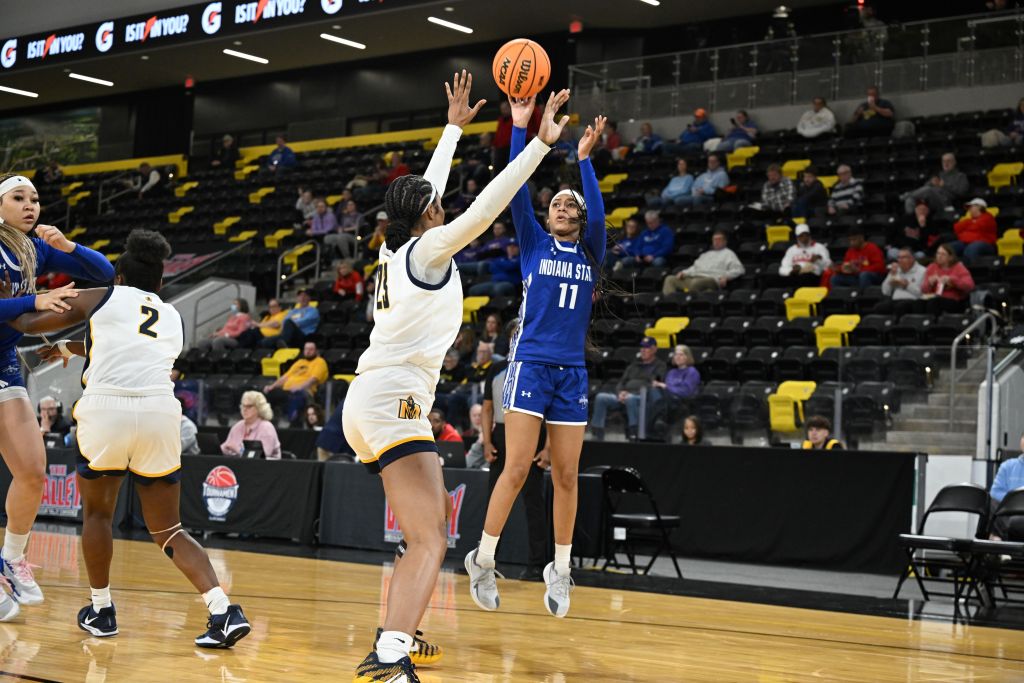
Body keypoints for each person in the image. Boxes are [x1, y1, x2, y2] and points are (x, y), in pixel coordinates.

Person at [340, 72, 566, 681]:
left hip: (370, 398)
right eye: (438, 205)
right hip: (392, 399)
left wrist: (452, 130)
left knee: (435, 513)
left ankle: (403, 628)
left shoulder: (397, 248)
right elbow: (488, 203)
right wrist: (540, 146)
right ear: (432, 216)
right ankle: (390, 656)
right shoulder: (429, 249)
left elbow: (423, 192)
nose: (443, 204)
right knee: (431, 540)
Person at [7, 229, 249, 646]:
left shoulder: (99, 295)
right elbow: (124, 343)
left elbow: (28, 323)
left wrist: (17, 296)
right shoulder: (172, 314)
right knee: (170, 527)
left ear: (117, 276)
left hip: (108, 411)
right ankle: (222, 610)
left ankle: (101, 611)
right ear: (158, 282)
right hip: (159, 413)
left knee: (99, 515)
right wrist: (70, 348)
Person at [465, 91, 606, 624]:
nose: (564, 208)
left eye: (572, 204)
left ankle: (561, 568)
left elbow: (594, 211)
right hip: (528, 366)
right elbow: (515, 187)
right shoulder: (532, 241)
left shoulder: (592, 250)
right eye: (557, 204)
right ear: (545, 217)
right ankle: (483, 557)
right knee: (517, 465)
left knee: (567, 475)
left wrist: (586, 161)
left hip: (571, 372)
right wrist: (522, 131)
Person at [0, 173, 115, 620]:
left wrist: (69, 248)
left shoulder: (35, 247)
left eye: (35, 199)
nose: (30, 206)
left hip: (5, 365)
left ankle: (11, 556)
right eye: (18, 198)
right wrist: (35, 302)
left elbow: (105, 275)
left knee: (32, 474)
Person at [479, 329, 550, 580]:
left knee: (534, 504)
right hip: (501, 437)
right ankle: (486, 561)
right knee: (494, 500)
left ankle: (537, 564)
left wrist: (548, 446)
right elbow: (487, 409)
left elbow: (552, 411)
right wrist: (487, 442)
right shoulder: (496, 368)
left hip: (533, 436)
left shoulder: (541, 367)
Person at [589, 337, 667, 442]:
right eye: (642, 347)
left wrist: (630, 393)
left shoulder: (660, 366)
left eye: (646, 348)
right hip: (624, 396)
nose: (643, 350)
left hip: (643, 398)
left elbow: (654, 385)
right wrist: (620, 393)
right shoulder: (634, 365)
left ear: (654, 349)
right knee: (601, 397)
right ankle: (597, 433)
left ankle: (633, 433)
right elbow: (622, 382)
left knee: (630, 398)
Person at [263, 341, 329, 424]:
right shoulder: (299, 362)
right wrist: (271, 387)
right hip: (287, 391)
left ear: (316, 351)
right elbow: (284, 377)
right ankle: (269, 422)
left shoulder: (320, 362)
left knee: (297, 395)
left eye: (311, 349)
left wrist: (299, 387)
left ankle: (291, 423)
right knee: (270, 393)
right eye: (306, 349)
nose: (308, 351)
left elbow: (313, 379)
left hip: (305, 392)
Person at [662, 230, 744, 294]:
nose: (716, 241)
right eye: (714, 239)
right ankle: (671, 301)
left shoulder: (729, 253)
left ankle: (690, 302)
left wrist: (726, 276)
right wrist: (684, 273)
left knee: (696, 283)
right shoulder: (706, 254)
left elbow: (739, 269)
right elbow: (694, 268)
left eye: (719, 239)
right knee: (670, 279)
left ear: (725, 241)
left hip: (710, 279)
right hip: (694, 278)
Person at [648, 345, 702, 440]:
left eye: (681, 354)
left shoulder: (692, 372)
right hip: (667, 402)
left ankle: (657, 421)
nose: (677, 357)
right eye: (676, 354)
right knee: (653, 392)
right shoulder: (671, 372)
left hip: (681, 403)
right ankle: (657, 422)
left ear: (687, 357)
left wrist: (666, 386)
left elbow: (686, 392)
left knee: (662, 399)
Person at [902, 153, 968, 216]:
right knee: (910, 200)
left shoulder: (960, 176)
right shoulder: (939, 174)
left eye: (948, 161)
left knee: (927, 190)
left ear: (954, 162)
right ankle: (912, 223)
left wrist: (944, 185)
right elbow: (924, 188)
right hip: (931, 200)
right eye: (943, 161)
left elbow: (962, 192)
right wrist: (931, 183)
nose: (946, 163)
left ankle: (907, 195)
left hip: (945, 201)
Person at [222, 391, 281, 459]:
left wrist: (237, 449)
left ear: (259, 408)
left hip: (265, 468)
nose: (244, 409)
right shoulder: (238, 426)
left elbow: (262, 456)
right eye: (243, 406)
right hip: (238, 466)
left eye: (249, 406)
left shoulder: (266, 428)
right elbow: (225, 447)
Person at [921, 243, 975, 314]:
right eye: (938, 253)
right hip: (934, 297)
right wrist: (929, 282)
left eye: (943, 254)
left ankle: (933, 324)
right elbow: (924, 290)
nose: (939, 256)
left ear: (950, 257)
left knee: (934, 303)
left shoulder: (959, 267)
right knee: (918, 303)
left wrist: (952, 279)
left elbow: (970, 286)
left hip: (954, 301)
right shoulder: (932, 267)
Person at [989, 433, 1024, 540]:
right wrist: (1016, 501)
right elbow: (995, 493)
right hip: (1009, 513)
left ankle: (999, 540)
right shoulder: (1007, 466)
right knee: (990, 502)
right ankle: (999, 543)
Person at [875, 248, 927, 317]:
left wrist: (907, 285)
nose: (899, 260)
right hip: (895, 301)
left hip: (914, 301)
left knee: (900, 306)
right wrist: (891, 274)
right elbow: (885, 292)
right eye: (898, 257)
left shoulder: (923, 271)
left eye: (903, 257)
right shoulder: (896, 270)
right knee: (879, 307)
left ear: (912, 258)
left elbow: (922, 294)